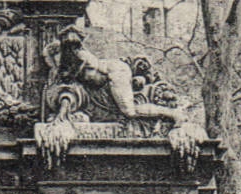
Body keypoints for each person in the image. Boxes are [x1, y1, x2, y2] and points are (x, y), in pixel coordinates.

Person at [51, 27, 184, 124]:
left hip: (116, 73)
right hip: (107, 76)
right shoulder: (68, 58)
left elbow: (77, 72)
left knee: (129, 112)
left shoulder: (82, 55)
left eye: (72, 42)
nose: (70, 44)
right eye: (66, 42)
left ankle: (172, 113)